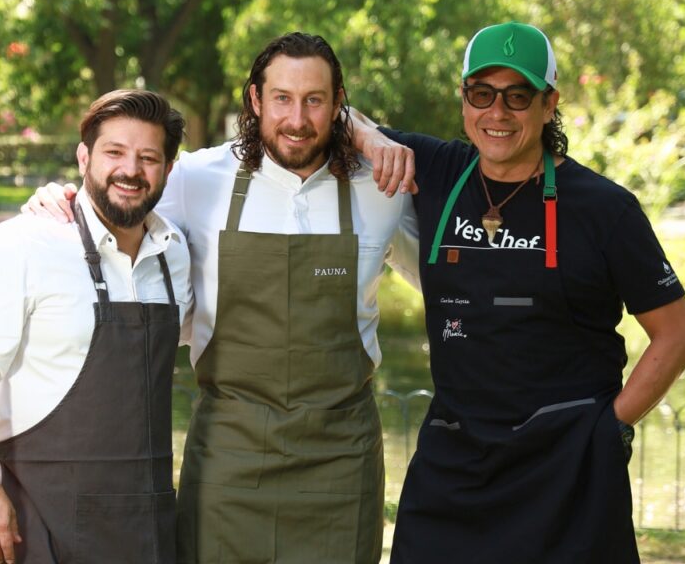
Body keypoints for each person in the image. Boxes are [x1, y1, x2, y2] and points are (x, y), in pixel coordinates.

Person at [24, 33, 420, 563]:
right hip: (229, 457)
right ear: (255, 99)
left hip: (342, 462)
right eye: (281, 98)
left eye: (314, 100)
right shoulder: (197, 178)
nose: (297, 119)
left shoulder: (383, 189)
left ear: (338, 104)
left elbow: (446, 284)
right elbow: (118, 200)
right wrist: (60, 198)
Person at [350, 22, 685, 563]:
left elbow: (677, 336)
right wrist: (374, 139)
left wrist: (608, 428)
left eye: (518, 96)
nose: (498, 112)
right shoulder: (436, 170)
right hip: (453, 469)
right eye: (482, 93)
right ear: (464, 97)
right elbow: (335, 114)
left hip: (569, 472)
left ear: (549, 103)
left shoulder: (605, 209)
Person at [0, 89, 193, 564]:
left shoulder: (175, 255)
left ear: (168, 169)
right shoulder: (23, 245)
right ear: (84, 157)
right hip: (39, 517)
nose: (130, 170)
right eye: (114, 152)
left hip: (146, 521)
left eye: (148, 158)